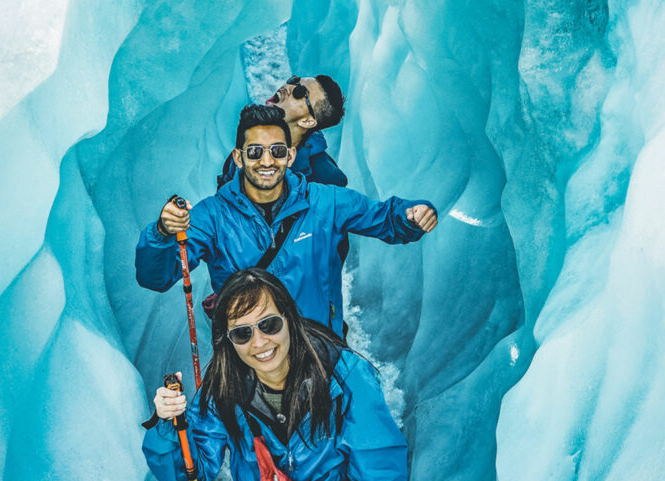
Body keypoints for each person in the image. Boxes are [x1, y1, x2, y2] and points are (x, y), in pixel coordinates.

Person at [142, 268, 408, 481]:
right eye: (242, 333)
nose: (259, 342)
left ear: (289, 318)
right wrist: (169, 424)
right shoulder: (223, 386)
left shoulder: (346, 377)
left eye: (269, 325)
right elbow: (193, 471)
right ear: (229, 340)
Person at [135, 104, 438, 336]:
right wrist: (162, 233)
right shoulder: (212, 216)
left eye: (276, 151)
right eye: (254, 152)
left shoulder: (325, 202)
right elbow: (157, 277)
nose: (266, 161)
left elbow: (382, 217)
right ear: (238, 158)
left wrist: (410, 215)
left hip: (318, 354)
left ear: (291, 156)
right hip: (250, 362)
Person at [217, 75, 348, 189]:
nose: (288, 87)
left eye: (300, 92)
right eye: (294, 80)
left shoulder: (325, 180)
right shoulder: (251, 141)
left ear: (307, 121)